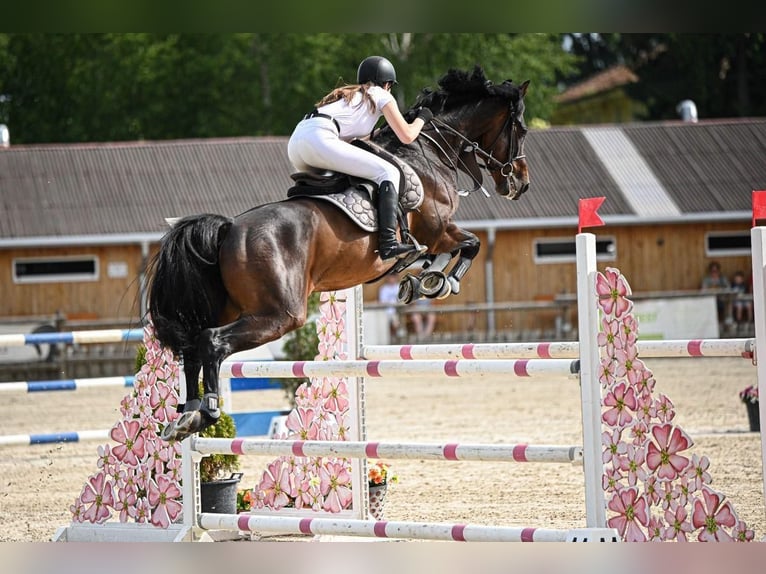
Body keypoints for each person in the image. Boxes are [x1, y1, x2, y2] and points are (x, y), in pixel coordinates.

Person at [287, 56, 433, 261]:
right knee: (388, 172)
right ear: (387, 83)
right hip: (320, 138)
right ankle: (389, 242)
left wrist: (381, 130)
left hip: (297, 143)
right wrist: (423, 117)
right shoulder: (381, 94)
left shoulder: (351, 96)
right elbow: (407, 135)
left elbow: (352, 139)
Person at [378, 274, 402, 338]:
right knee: (384, 323)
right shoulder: (383, 288)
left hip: (397, 311)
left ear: (396, 278)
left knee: (396, 322)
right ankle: (389, 338)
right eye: (390, 277)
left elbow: (402, 300)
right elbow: (382, 302)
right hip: (386, 311)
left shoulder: (400, 287)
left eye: (393, 277)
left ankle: (395, 337)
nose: (392, 279)